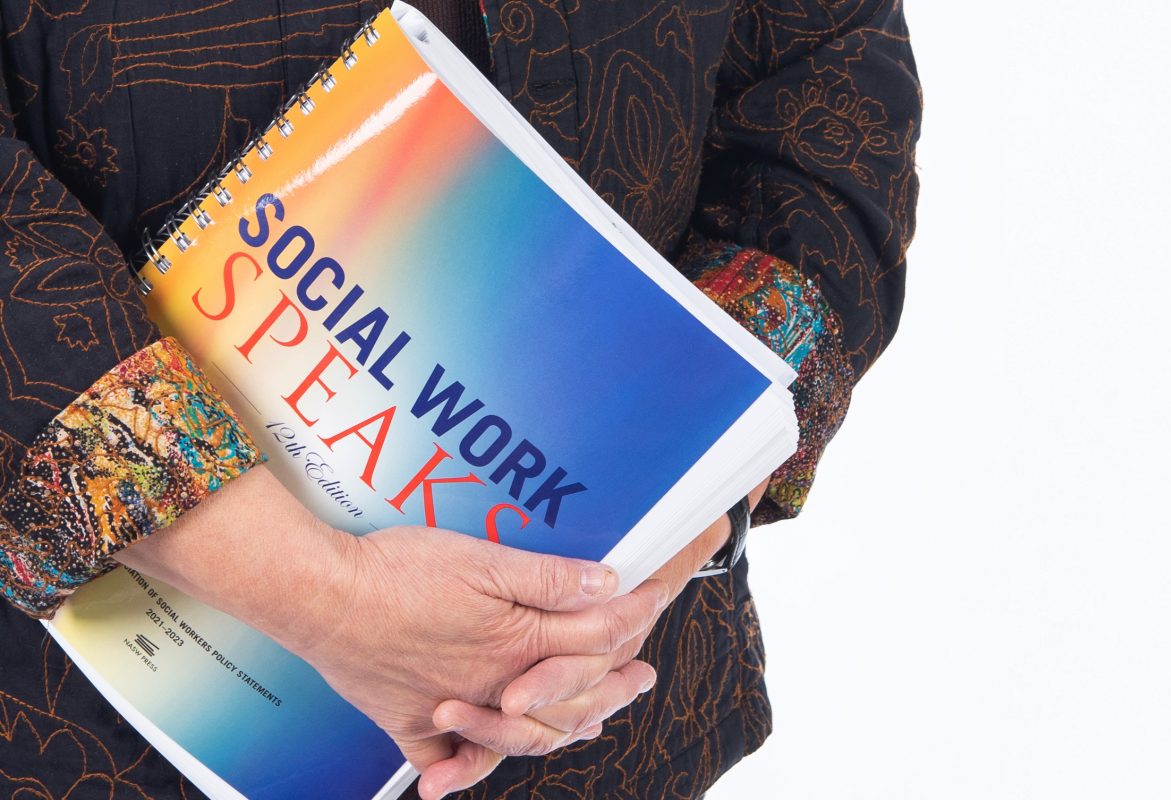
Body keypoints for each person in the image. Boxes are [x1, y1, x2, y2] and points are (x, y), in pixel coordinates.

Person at [0, 1, 918, 798]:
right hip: (90, 728)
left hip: (608, 726)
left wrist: (667, 538)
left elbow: (828, 84)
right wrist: (322, 596)